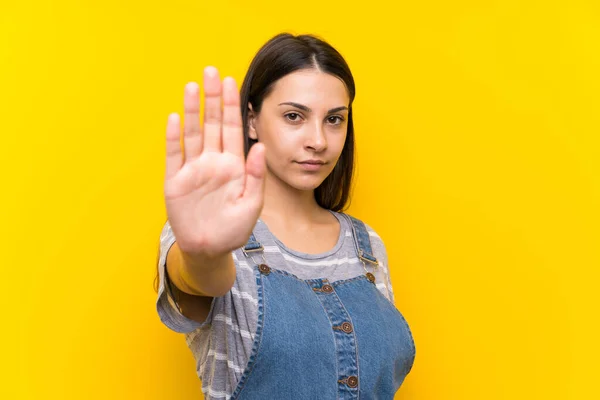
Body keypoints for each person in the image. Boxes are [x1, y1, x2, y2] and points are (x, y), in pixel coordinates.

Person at [154, 32, 416, 399]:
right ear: (251, 121)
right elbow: (199, 279)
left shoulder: (367, 247)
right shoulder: (207, 230)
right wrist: (204, 254)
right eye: (294, 116)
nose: (319, 140)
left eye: (334, 120)